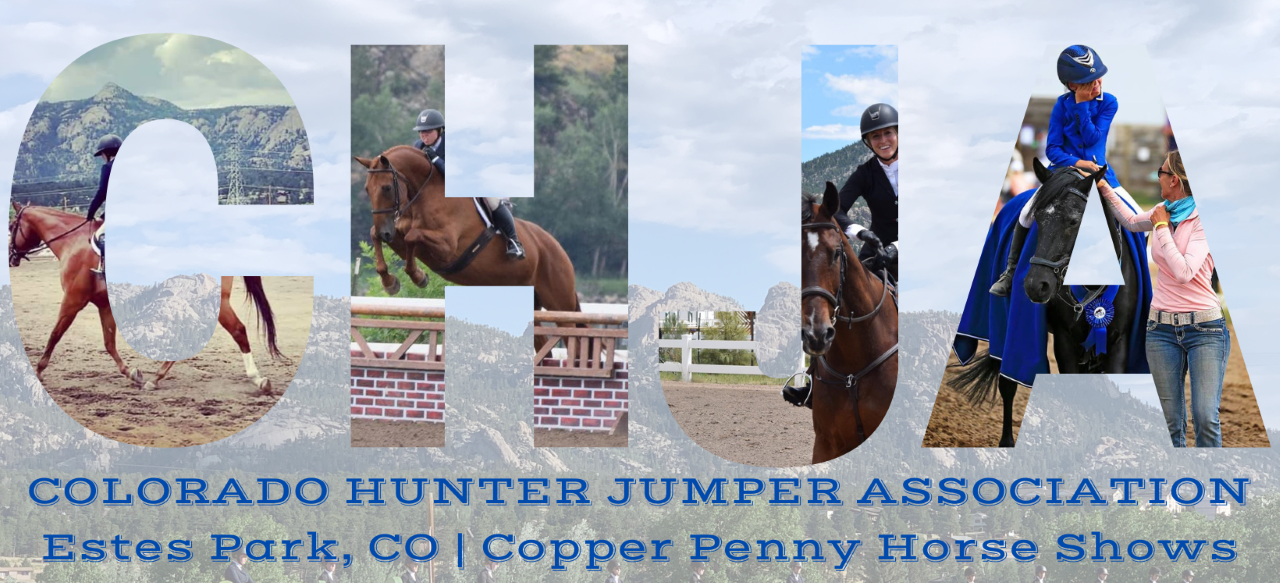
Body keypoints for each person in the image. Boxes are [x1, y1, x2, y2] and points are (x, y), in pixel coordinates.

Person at [1098, 150, 1226, 447]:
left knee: (1206, 417)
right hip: (1160, 330)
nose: (1158, 176)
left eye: (1161, 171)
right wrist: (1104, 186)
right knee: (1169, 424)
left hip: (1205, 330)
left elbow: (1184, 271)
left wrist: (1160, 227)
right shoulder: (1162, 209)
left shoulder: (1200, 221)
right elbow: (1130, 221)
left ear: (1176, 180)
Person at [989, 45, 1139, 296]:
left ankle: (1139, 279)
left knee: (1135, 214)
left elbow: (1093, 139)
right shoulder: (1061, 105)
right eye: (1088, 80)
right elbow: (1053, 150)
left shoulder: (1109, 102)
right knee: (1026, 213)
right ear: (1072, 85)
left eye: (1098, 76)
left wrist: (1083, 105)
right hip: (1062, 173)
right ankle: (1010, 272)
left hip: (1100, 175)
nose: (1097, 82)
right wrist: (1079, 164)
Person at [411, 108, 525, 260]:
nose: (423, 135)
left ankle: (514, 242)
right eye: (421, 132)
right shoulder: (418, 146)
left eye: (428, 131)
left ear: (439, 130)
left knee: (492, 200)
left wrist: (435, 159)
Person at [834, 103, 899, 280]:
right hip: (876, 254)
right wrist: (861, 232)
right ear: (868, 142)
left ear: (898, 134)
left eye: (888, 133)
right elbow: (836, 210)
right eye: (875, 136)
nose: (883, 140)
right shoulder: (864, 174)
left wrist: (897, 247)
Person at [86, 134, 121, 276]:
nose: (102, 157)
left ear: (107, 153)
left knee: (100, 236)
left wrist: (90, 213)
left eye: (102, 154)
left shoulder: (108, 168)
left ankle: (105, 269)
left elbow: (102, 193)